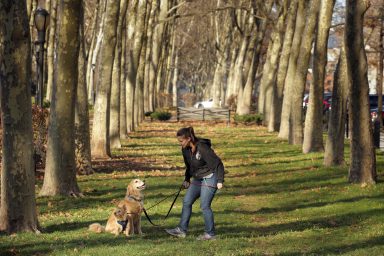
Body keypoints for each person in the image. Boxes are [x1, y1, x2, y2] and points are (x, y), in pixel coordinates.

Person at [165, 126, 225, 240]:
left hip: (210, 177)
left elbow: (218, 163)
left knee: (204, 205)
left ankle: (210, 234)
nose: (180, 143)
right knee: (187, 201)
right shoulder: (185, 150)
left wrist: (220, 180)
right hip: (198, 178)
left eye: (181, 141)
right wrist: (187, 179)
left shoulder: (202, 147)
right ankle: (181, 230)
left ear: (188, 139)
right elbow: (189, 166)